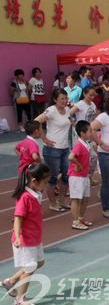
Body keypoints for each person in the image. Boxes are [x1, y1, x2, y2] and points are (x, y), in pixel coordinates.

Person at [2, 163, 50, 305]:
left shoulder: (36, 194)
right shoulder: (25, 197)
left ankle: (10, 281)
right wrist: (17, 237)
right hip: (25, 239)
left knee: (39, 262)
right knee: (30, 267)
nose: (46, 186)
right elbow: (17, 218)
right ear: (34, 181)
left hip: (35, 237)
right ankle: (19, 299)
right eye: (45, 182)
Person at [35, 88, 71, 212]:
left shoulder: (67, 110)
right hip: (52, 150)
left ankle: (62, 199)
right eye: (62, 99)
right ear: (55, 99)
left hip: (65, 149)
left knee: (67, 175)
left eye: (66, 98)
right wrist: (44, 138)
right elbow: (36, 121)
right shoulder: (51, 110)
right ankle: (53, 203)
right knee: (52, 177)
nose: (65, 101)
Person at [68, 120, 93, 231]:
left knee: (85, 198)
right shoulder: (79, 145)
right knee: (76, 199)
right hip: (76, 177)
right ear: (82, 133)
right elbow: (71, 157)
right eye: (90, 131)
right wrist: (78, 164)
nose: (92, 133)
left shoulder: (86, 144)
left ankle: (81, 217)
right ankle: (75, 221)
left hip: (84, 176)